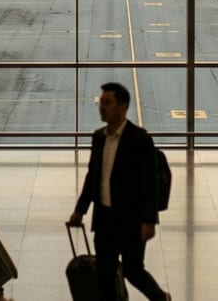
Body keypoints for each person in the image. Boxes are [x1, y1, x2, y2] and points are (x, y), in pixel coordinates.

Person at [68, 82, 171, 301]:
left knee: (133, 270)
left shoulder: (139, 139)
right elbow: (92, 176)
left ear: (123, 107)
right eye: (101, 102)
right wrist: (80, 209)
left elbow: (149, 183)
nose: (102, 107)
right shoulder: (98, 137)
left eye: (107, 103)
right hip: (105, 217)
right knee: (105, 274)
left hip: (131, 219)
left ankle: (161, 298)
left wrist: (149, 220)